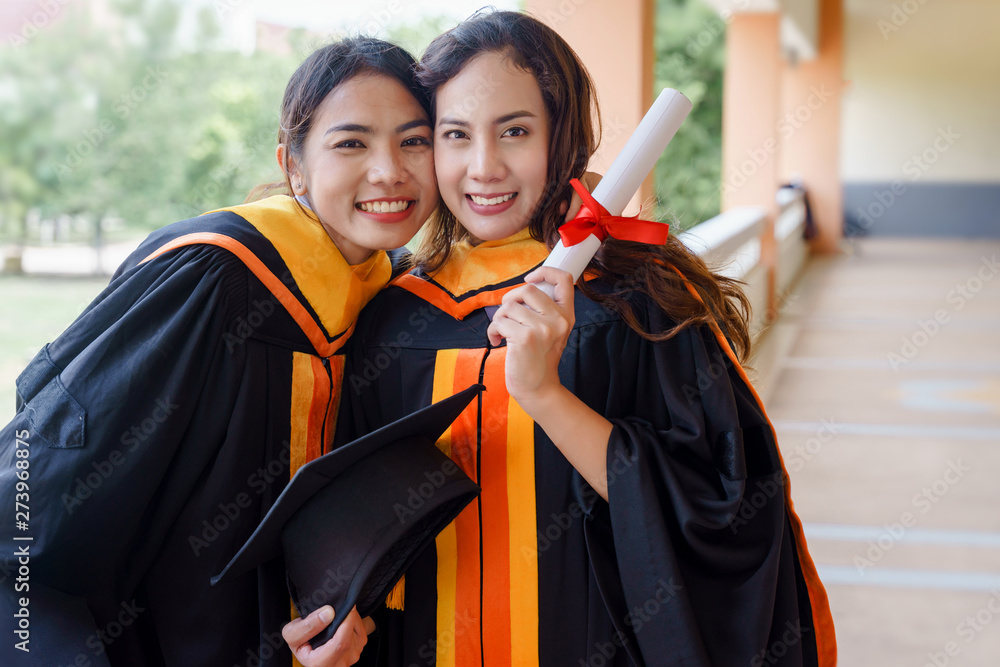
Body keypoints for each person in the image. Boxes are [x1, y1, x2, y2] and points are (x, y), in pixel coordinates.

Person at [285, 10, 837, 667]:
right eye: (455, 134)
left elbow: (721, 509)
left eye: (515, 130)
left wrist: (546, 393)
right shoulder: (390, 316)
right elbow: (357, 517)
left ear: (562, 135)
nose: (485, 166)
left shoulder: (633, 302)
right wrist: (336, 610)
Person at [0, 37, 437, 666]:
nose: (389, 171)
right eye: (351, 142)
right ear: (294, 165)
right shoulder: (213, 278)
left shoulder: (387, 294)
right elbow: (43, 493)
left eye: (414, 140)